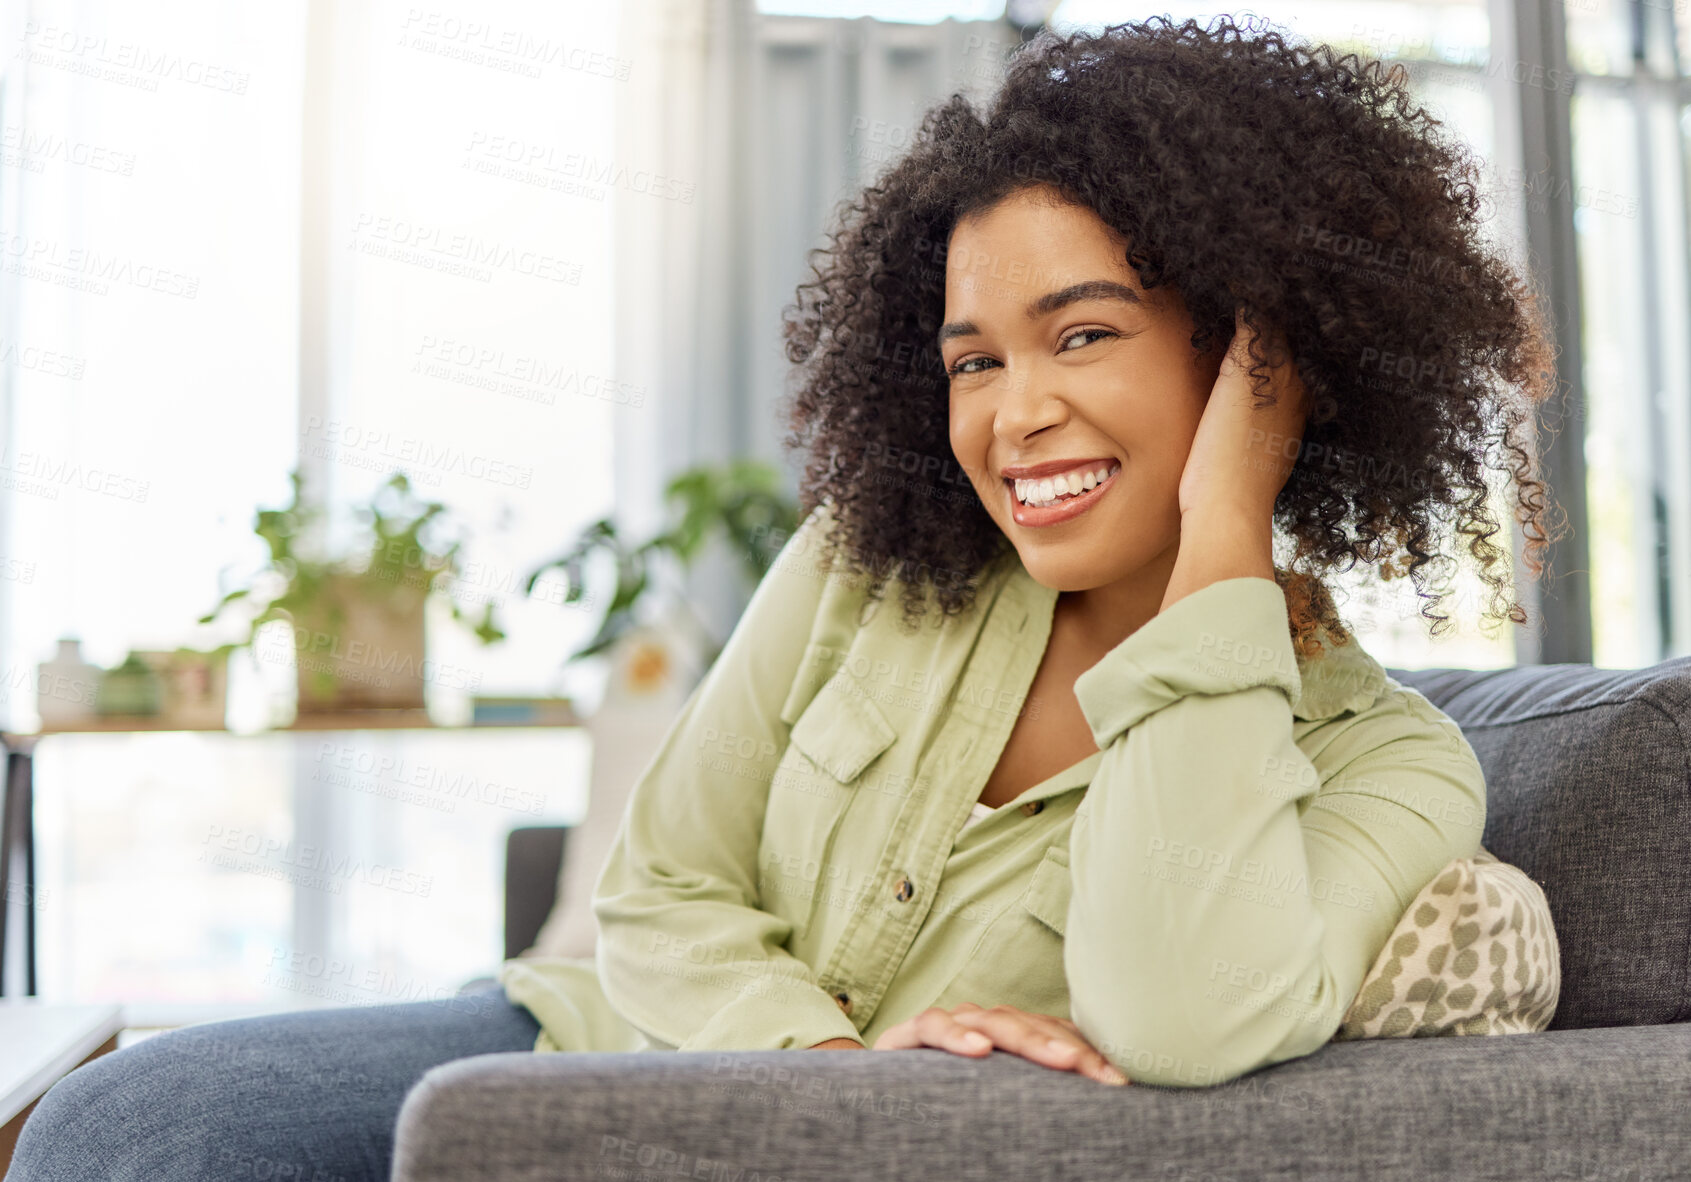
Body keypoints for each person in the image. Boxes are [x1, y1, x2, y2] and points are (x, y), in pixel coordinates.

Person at [7, 14, 1557, 1180]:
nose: (1010, 417)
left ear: (1254, 358)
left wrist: (1227, 522)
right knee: (130, 1117)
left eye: (1081, 335)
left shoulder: (1392, 767)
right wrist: (828, 1056)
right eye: (973, 359)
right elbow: (657, 890)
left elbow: (1181, 1010)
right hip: (602, 1041)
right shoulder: (879, 562)